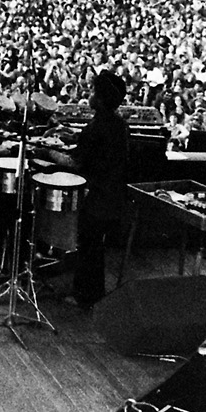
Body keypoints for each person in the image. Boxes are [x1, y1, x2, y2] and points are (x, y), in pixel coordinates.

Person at [62, 70, 130, 310]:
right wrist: (72, 136)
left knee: (88, 245)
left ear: (100, 99)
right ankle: (94, 293)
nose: (89, 95)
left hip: (97, 195)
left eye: (92, 92)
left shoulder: (97, 126)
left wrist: (46, 152)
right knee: (94, 246)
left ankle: (85, 296)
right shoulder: (117, 123)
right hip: (112, 194)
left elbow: (75, 162)